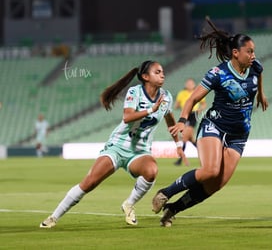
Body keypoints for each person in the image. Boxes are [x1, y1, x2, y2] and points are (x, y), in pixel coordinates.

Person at [152, 17, 268, 227]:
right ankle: (165, 193)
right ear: (236, 53)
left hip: (240, 134)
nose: (253, 55)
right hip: (215, 126)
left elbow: (259, 74)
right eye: (249, 51)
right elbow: (193, 98)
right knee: (210, 171)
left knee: (216, 184)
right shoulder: (218, 73)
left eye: (253, 51)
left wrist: (261, 94)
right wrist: (182, 120)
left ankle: (173, 209)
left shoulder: (255, 66)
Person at [39, 60, 185, 228]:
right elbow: (127, 117)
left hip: (140, 151)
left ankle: (129, 204)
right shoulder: (135, 92)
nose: (162, 74)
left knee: (151, 171)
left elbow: (169, 119)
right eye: (157, 72)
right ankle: (54, 217)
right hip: (118, 146)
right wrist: (151, 109)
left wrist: (178, 144)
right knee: (89, 183)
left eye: (162, 71)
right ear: (145, 77)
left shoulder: (166, 97)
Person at [173, 78, 207, 166]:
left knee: (184, 136)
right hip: (185, 114)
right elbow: (176, 105)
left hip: (193, 115)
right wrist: (179, 105)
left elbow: (203, 104)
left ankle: (181, 160)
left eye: (191, 83)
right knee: (190, 139)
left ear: (194, 84)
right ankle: (204, 153)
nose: (189, 84)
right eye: (188, 83)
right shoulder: (181, 93)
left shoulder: (197, 92)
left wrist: (200, 109)